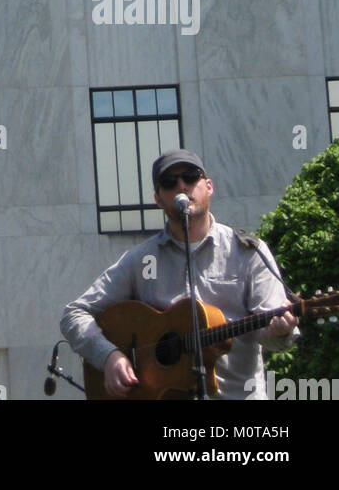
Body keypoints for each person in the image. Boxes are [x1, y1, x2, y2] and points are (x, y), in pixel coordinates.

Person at [60, 150, 298, 400]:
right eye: (169, 182)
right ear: (159, 199)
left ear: (208, 187)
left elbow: (273, 338)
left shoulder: (249, 252)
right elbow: (73, 315)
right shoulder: (141, 260)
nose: (182, 186)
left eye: (190, 176)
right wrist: (109, 356)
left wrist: (280, 331)